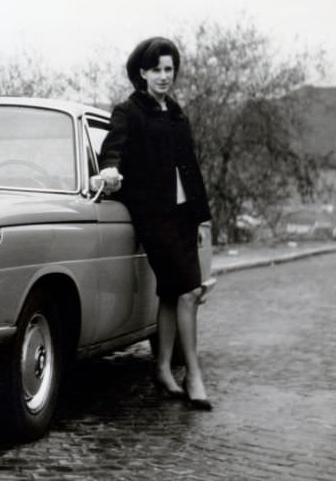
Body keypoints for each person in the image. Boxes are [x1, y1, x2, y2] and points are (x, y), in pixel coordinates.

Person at [98, 37, 213, 410]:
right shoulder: (129, 111)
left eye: (169, 69)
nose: (164, 76)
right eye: (156, 70)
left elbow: (190, 168)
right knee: (189, 292)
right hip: (153, 214)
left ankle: (162, 369)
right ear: (141, 73)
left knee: (171, 292)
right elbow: (113, 148)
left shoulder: (177, 114)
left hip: (183, 214)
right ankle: (193, 374)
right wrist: (110, 170)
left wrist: (201, 215)